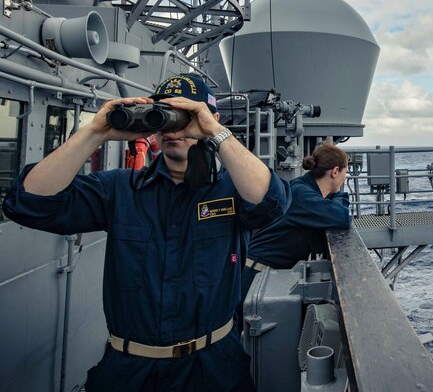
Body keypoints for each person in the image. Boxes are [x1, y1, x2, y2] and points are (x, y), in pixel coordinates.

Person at [2, 73, 290, 392]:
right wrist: (95, 132)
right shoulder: (120, 190)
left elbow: (271, 203)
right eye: (163, 116)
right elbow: (28, 203)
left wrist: (215, 132)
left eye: (186, 116)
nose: (173, 128)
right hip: (129, 372)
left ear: (210, 118)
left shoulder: (233, 191)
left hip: (213, 367)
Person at [241, 144, 351, 302]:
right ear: (335, 171)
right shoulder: (302, 195)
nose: (345, 177)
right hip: (256, 277)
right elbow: (342, 217)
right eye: (345, 172)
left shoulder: (302, 187)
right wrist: (339, 194)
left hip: (263, 273)